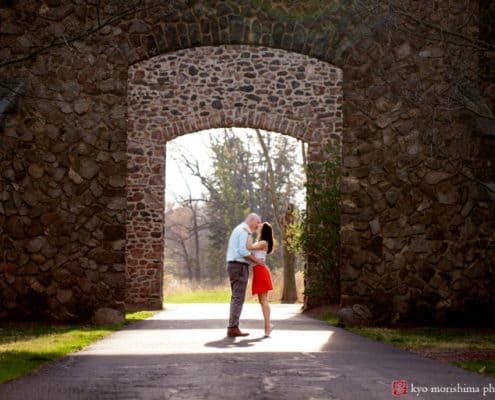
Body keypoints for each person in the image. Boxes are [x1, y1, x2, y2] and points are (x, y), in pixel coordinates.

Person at [226, 213, 265, 338]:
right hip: (239, 266)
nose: (258, 225)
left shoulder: (239, 229)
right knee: (238, 298)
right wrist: (257, 261)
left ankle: (233, 326)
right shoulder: (244, 230)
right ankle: (233, 328)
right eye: (257, 222)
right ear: (252, 220)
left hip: (233, 265)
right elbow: (243, 251)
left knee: (235, 297)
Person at [247, 222, 274, 337]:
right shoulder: (259, 242)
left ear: (264, 230)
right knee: (262, 301)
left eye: (260, 225)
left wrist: (248, 232)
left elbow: (248, 248)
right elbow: (250, 253)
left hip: (261, 271)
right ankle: (268, 325)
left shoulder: (263, 242)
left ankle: (267, 326)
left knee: (263, 301)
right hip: (258, 271)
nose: (258, 225)